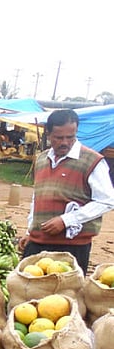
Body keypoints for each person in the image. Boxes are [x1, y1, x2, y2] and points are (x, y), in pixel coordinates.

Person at [19, 109, 114, 273]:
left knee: (65, 295)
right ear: (48, 134)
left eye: (70, 137)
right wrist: (30, 230)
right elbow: (38, 198)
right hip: (38, 240)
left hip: (72, 246)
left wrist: (66, 220)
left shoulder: (91, 160)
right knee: (29, 290)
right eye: (59, 137)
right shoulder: (42, 159)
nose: (65, 142)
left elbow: (106, 200)